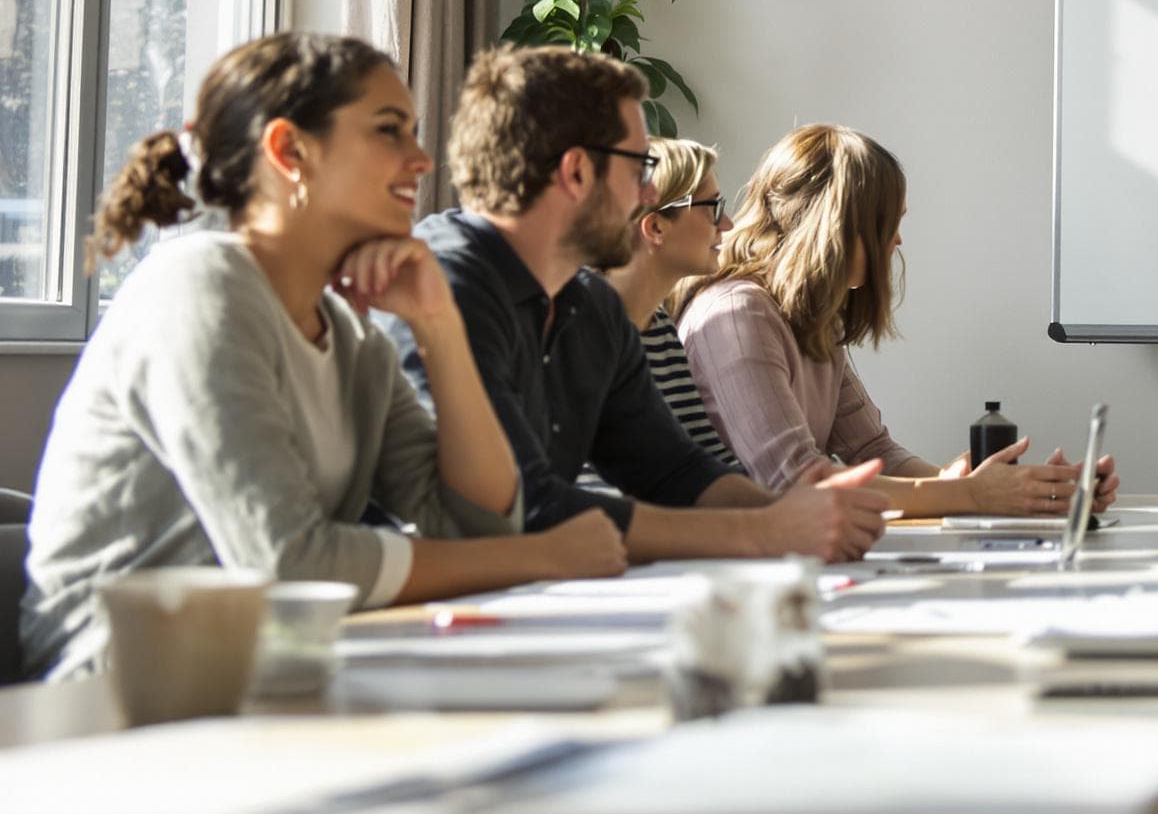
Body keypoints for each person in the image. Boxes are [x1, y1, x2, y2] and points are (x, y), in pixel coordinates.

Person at [19, 35, 626, 678]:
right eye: (390, 131)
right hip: (116, 684)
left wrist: (438, 324)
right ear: (290, 151)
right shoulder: (198, 288)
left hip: (267, 664)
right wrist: (544, 557)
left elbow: (478, 524)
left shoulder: (351, 335)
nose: (422, 161)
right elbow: (289, 564)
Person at [397, 46, 888, 563]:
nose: (650, 189)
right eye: (640, 167)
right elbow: (523, 505)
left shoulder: (590, 307)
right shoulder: (446, 282)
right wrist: (765, 532)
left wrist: (788, 515)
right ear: (579, 172)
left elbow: (673, 472)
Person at [678, 124, 1118, 517]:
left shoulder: (812, 319)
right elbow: (796, 479)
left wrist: (1025, 491)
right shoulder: (737, 316)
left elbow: (873, 451)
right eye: (888, 222)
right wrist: (972, 495)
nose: (898, 239)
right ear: (838, 227)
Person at [595, 138, 742, 475]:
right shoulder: (581, 328)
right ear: (656, 226)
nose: (728, 225)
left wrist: (784, 503)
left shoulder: (659, 327)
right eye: (713, 209)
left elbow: (701, 457)